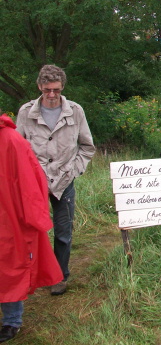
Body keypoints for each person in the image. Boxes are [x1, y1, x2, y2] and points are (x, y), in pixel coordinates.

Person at [16, 65, 95, 297]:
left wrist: (74, 170)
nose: (52, 95)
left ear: (62, 88)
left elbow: (87, 146)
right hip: (34, 183)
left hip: (64, 180)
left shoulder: (75, 111)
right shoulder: (25, 112)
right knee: (31, 232)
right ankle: (31, 275)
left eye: (56, 90)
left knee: (63, 232)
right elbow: (17, 147)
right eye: (48, 89)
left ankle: (60, 276)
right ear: (40, 86)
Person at [1, 112, 64, 343]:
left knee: (8, 267)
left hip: (8, 218)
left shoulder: (11, 140)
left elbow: (30, 181)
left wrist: (34, 218)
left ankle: (11, 321)